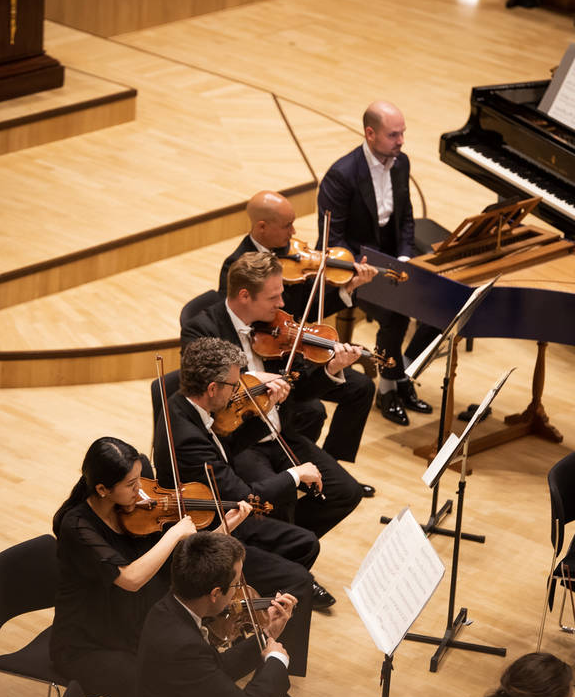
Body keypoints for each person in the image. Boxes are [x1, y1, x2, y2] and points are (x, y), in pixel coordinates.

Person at [153, 337, 322, 697]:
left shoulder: (184, 403)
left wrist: (265, 406)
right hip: (209, 536)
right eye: (234, 385)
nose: (240, 391)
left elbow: (224, 450)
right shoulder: (188, 438)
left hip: (223, 516)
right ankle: (275, 678)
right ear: (212, 389)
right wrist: (294, 474)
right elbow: (242, 497)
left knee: (303, 544)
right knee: (296, 578)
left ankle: (247, 620)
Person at [113, 531, 331, 697]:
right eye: (236, 584)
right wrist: (276, 662)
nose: (239, 592)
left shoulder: (168, 609)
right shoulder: (183, 646)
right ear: (215, 593)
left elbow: (217, 670)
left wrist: (267, 633)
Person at [180, 254, 363, 552]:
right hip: (240, 440)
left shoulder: (277, 327)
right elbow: (204, 387)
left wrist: (331, 369)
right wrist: (254, 378)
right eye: (273, 297)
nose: (281, 304)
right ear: (244, 296)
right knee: (280, 497)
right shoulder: (201, 329)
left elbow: (301, 389)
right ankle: (289, 555)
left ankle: (290, 547)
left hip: (280, 432)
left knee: (345, 492)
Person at [217, 189, 376, 497]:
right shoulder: (236, 267)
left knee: (361, 387)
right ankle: (295, 472)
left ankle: (331, 464)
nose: (294, 232)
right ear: (262, 227)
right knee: (313, 409)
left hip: (292, 347)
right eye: (287, 225)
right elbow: (250, 324)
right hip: (272, 354)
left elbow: (301, 310)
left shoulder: (293, 257)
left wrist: (347, 288)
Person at [50, 437, 200, 697]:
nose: (140, 490)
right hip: (87, 645)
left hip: (132, 626)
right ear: (102, 489)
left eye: (140, 479)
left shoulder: (131, 511)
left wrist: (223, 527)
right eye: (131, 485)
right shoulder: (78, 527)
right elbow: (130, 579)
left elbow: (165, 562)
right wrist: (175, 534)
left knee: (194, 674)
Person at [317, 99, 435, 426]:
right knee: (396, 315)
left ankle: (402, 374)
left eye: (402, 134)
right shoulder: (342, 175)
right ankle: (387, 390)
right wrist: (360, 269)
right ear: (370, 134)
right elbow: (332, 240)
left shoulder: (401, 163)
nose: (401, 141)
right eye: (393, 135)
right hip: (353, 267)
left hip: (392, 259)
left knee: (443, 300)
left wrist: (405, 256)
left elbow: (407, 217)